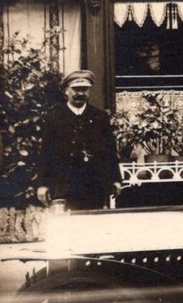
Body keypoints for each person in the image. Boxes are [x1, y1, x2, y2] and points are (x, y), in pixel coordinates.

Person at [35, 70, 121, 210]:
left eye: (84, 89)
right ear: (66, 90)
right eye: (76, 89)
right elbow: (46, 153)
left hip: (94, 186)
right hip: (63, 186)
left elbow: (110, 151)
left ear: (89, 91)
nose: (80, 93)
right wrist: (42, 184)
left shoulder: (100, 117)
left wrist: (116, 180)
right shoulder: (54, 117)